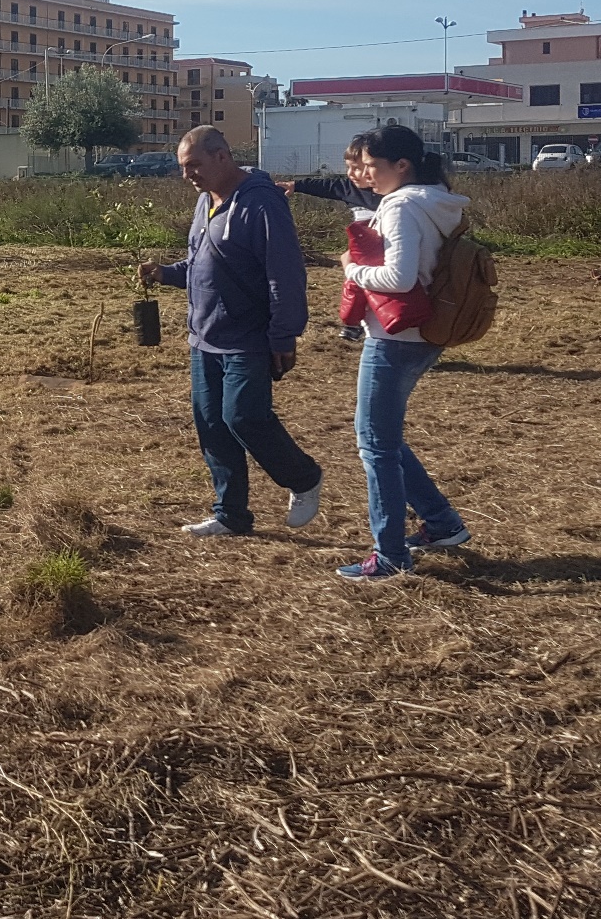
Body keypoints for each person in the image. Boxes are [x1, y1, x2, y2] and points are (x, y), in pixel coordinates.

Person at [137, 127, 323, 540]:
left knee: (243, 417)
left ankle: (304, 477)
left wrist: (284, 335)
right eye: (184, 168)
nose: (189, 176)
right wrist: (165, 274)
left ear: (223, 156)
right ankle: (230, 514)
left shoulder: (262, 202)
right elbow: (198, 263)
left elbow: (285, 274)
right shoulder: (207, 201)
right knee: (212, 425)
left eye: (195, 166)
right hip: (204, 336)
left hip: (249, 336)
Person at [334, 123, 472, 582]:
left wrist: (353, 270)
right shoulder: (437, 201)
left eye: (372, 166)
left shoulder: (399, 207)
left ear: (402, 165)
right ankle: (441, 523)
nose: (366, 174)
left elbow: (398, 278)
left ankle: (389, 554)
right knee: (385, 439)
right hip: (425, 335)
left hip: (393, 339)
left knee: (374, 445)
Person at [282, 137, 382, 344]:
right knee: (353, 287)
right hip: (362, 249)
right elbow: (327, 186)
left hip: (389, 250)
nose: (351, 174)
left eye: (357, 168)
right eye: (348, 168)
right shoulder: (349, 188)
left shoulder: (391, 192)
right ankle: (353, 325)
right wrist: (296, 185)